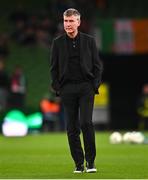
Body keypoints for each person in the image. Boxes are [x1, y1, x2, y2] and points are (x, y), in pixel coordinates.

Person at [50, 8, 103, 173]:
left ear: (78, 22)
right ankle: (79, 164)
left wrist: (94, 85)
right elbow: (54, 68)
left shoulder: (89, 41)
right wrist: (59, 88)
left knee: (86, 123)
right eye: (66, 21)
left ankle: (91, 162)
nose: (68, 24)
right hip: (67, 89)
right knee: (71, 128)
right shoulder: (57, 43)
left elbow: (97, 66)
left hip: (86, 87)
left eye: (71, 21)